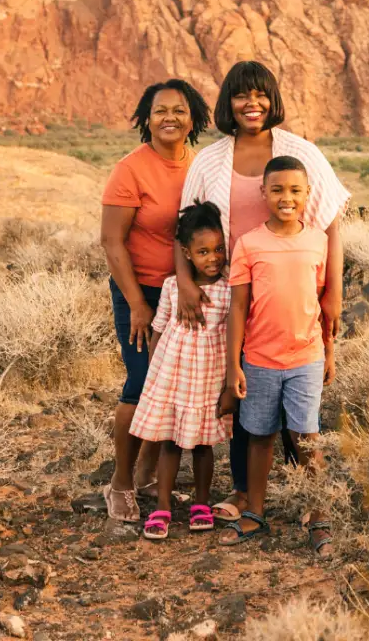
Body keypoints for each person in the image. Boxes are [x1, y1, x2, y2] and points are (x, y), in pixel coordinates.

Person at [174, 61, 349, 551]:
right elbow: (184, 224)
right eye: (240, 96)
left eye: (261, 95)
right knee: (238, 396)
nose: (252, 105)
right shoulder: (210, 160)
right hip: (229, 293)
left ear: (273, 99)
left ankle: (306, 496)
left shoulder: (300, 153)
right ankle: (247, 493)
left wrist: (332, 292)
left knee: (295, 408)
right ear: (227, 102)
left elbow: (331, 224)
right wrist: (187, 282)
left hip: (292, 292)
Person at [100, 79, 210, 522]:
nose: (169, 118)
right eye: (160, 110)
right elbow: (112, 242)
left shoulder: (200, 166)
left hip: (185, 295)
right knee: (141, 384)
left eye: (179, 110)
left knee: (176, 386)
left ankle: (148, 472)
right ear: (146, 118)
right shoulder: (131, 169)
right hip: (141, 292)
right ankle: (121, 484)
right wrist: (138, 305)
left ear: (193, 119)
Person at [219, 156, 335, 553]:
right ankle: (255, 513)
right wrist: (233, 364)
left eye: (296, 190)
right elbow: (237, 308)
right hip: (260, 359)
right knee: (259, 437)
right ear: (263, 192)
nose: (287, 198)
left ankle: (320, 516)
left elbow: (320, 301)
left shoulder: (318, 241)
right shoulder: (249, 244)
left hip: (306, 357)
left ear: (307, 194)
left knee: (307, 438)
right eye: (278, 189)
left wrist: (329, 353)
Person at [130, 201, 231, 540]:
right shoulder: (174, 286)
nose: (213, 257)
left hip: (208, 380)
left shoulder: (229, 289)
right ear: (186, 253)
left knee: (203, 446)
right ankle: (162, 507)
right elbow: (159, 327)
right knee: (170, 442)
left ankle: (201, 503)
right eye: (203, 251)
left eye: (218, 249)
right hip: (174, 378)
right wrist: (155, 374)